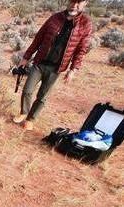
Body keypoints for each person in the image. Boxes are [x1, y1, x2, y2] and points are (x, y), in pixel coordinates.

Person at [14, 0, 93, 131]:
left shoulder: (86, 23)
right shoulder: (55, 18)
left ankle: (30, 119)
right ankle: (24, 112)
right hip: (40, 62)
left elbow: (81, 49)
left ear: (85, 3)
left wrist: (73, 69)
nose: (74, 5)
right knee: (27, 90)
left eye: (79, 2)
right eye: (72, 1)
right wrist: (26, 57)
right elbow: (38, 38)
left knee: (42, 96)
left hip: (57, 68)